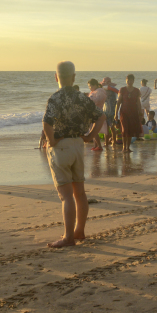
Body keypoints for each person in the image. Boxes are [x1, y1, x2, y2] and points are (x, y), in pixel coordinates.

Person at [43, 61, 105, 248]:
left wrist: (51, 140)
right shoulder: (82, 97)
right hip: (78, 145)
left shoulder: (55, 98)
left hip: (61, 146)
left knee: (66, 195)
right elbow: (101, 116)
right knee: (79, 192)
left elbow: (47, 123)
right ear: (74, 77)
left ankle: (69, 237)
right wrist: (89, 137)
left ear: (56, 77)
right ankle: (80, 230)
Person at [116, 74, 144, 152]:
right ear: (126, 81)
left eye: (131, 80)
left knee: (131, 130)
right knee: (124, 130)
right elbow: (118, 102)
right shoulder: (122, 90)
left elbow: (138, 103)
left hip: (134, 112)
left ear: (133, 81)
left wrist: (140, 113)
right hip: (124, 112)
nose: (129, 82)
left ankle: (128, 147)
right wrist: (115, 114)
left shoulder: (136, 90)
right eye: (128, 80)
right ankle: (124, 147)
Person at [87, 79, 108, 151]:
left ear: (95, 85)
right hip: (93, 112)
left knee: (94, 130)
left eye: (90, 86)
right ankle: (95, 145)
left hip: (96, 112)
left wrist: (90, 99)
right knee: (92, 129)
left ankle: (99, 146)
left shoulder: (100, 91)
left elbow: (99, 100)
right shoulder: (94, 92)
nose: (89, 88)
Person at [102, 77, 120, 145]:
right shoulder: (111, 89)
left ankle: (109, 143)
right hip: (109, 110)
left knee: (108, 128)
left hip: (109, 111)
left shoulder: (108, 89)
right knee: (110, 128)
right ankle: (112, 143)